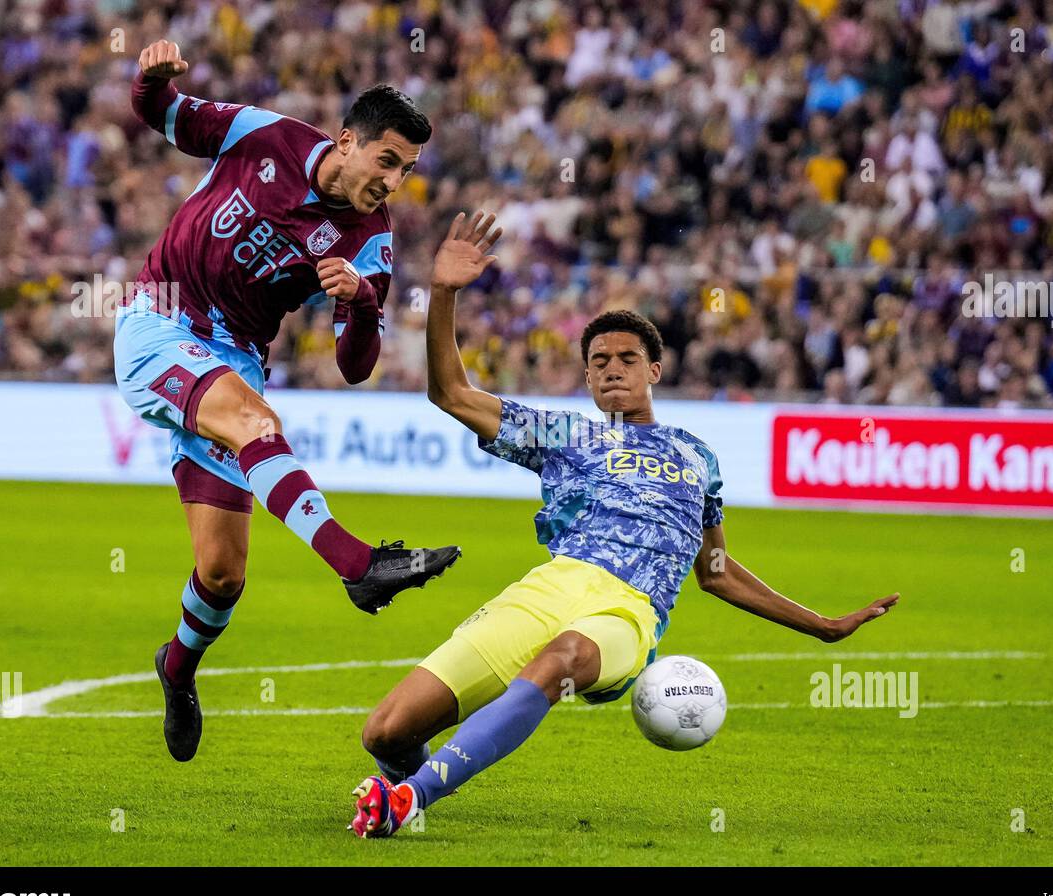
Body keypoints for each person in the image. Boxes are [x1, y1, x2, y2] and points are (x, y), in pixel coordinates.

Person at [348, 213, 901, 837]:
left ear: (653, 372)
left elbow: (715, 573)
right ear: (585, 376)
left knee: (562, 660)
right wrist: (443, 293)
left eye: (627, 359)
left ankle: (409, 800)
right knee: (387, 731)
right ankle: (410, 784)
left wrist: (822, 626)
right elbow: (450, 392)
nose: (613, 368)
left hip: (627, 610)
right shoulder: (562, 433)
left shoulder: (697, 456)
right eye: (600, 360)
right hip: (551, 587)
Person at [117, 40, 461, 762]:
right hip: (159, 319)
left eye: (407, 171)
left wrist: (363, 305)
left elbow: (355, 366)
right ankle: (357, 565)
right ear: (347, 141)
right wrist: (150, 76)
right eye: (388, 161)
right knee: (256, 422)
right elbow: (161, 114)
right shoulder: (261, 134)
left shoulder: (370, 242)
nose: (393, 182)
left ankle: (175, 670)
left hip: (236, 357)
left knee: (222, 574)